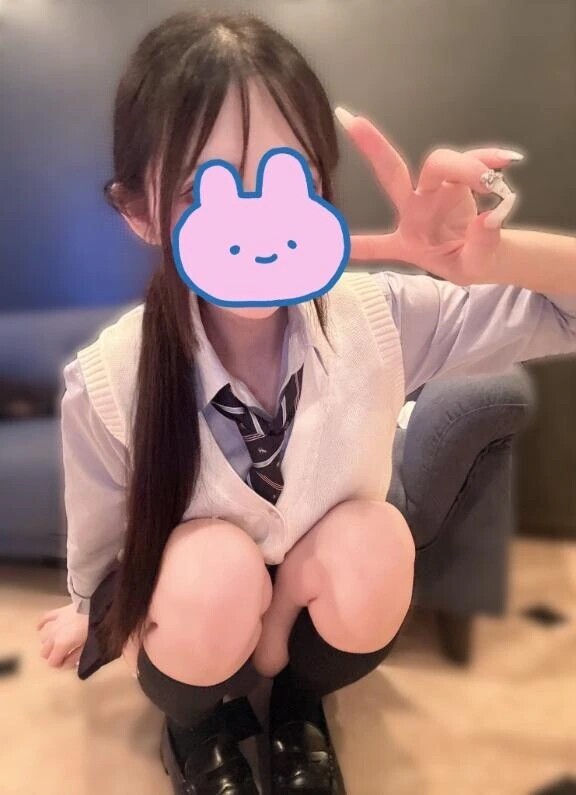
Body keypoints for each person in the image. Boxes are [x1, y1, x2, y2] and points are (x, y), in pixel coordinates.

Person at [36, 9, 576, 795]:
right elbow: (98, 532)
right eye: (202, 189)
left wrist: (486, 260)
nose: (256, 221)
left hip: (314, 601)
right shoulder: (110, 377)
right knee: (214, 571)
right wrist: (88, 608)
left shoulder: (379, 314)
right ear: (140, 211)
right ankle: (199, 726)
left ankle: (296, 708)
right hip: (193, 614)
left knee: (379, 542)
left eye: (287, 179)